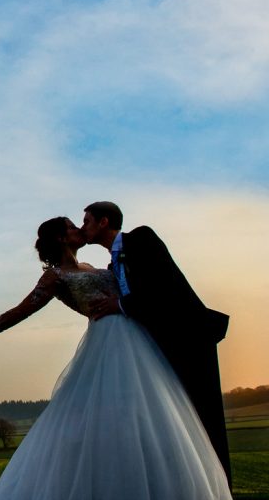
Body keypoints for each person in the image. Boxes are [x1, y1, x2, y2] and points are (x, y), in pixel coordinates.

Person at [0, 217, 235, 500]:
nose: (80, 229)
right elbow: (22, 310)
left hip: (136, 339)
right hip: (107, 343)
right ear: (62, 238)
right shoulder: (55, 277)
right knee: (104, 426)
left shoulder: (94, 265)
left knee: (147, 420)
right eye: (73, 226)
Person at [81, 201, 231, 485]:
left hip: (188, 339)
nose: (82, 226)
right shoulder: (113, 264)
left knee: (205, 420)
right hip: (156, 349)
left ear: (104, 222)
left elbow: (162, 286)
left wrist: (120, 304)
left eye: (87, 220)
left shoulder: (141, 239)